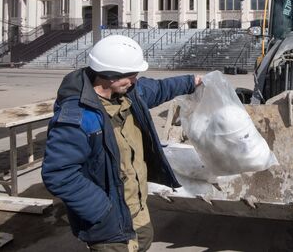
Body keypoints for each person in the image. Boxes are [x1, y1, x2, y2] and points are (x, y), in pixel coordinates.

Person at [41, 35, 202, 251]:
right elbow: (59, 173)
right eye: (132, 75)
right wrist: (102, 211)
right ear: (110, 77)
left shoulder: (129, 95)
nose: (136, 80)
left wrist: (192, 81)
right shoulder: (78, 117)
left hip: (138, 210)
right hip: (109, 224)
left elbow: (160, 88)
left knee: (142, 242)